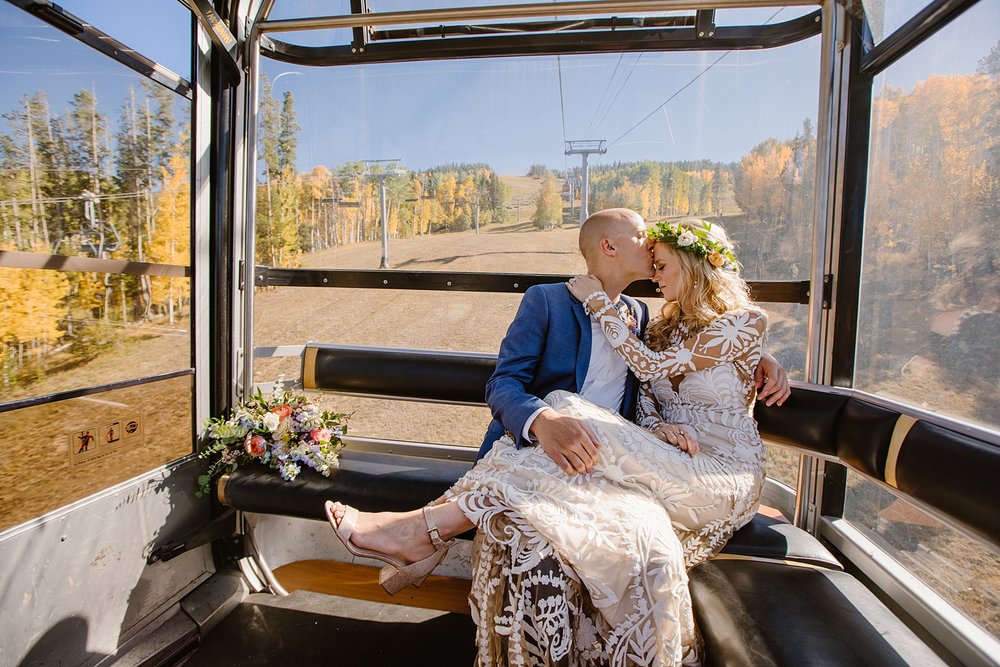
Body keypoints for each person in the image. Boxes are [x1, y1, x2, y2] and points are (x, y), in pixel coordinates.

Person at [326, 212, 784, 666]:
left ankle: (423, 530)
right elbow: (504, 385)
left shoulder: (643, 317)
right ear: (608, 246)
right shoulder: (552, 301)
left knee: (568, 411)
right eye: (642, 237)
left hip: (666, 464)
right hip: (565, 452)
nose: (650, 251)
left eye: (661, 258)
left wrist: (757, 357)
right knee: (536, 523)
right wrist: (542, 424)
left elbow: (663, 370)